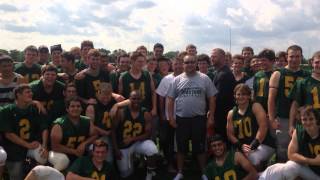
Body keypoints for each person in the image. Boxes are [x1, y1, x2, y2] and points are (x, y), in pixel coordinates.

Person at [167, 55, 217, 180]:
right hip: (181, 119)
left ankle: (204, 172)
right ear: (183, 64)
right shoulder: (177, 80)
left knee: (200, 148)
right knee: (181, 147)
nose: (189, 64)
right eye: (187, 62)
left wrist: (211, 116)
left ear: (196, 63)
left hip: (199, 119)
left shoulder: (204, 78)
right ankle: (180, 172)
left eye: (192, 62)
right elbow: (170, 99)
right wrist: (171, 118)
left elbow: (212, 98)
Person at [268, 45, 309, 162]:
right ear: (287, 57)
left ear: (301, 57)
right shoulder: (278, 74)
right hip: (283, 117)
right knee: (283, 150)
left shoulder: (306, 75)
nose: (294, 59)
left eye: (297, 56)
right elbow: (271, 98)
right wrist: (272, 118)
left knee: (302, 148)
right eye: (291, 56)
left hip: (303, 119)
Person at [0, 84, 49, 179]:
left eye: (31, 92)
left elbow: (44, 128)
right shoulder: (7, 110)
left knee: (43, 157)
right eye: (27, 92)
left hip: (31, 143)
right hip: (13, 147)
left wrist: (44, 145)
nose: (31, 94)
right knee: (16, 175)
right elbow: (9, 134)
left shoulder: (35, 108)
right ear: (18, 95)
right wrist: (27, 145)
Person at [259, 106, 320, 179]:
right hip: (312, 171)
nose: (308, 122)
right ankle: (262, 177)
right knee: (290, 166)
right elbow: (291, 154)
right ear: (301, 120)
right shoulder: (299, 132)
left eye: (311, 119)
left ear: (317, 120)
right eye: (304, 119)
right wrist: (312, 161)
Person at [111, 91, 158, 179]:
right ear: (129, 99)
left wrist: (132, 139)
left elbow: (148, 134)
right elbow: (113, 131)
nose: (136, 101)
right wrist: (116, 149)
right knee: (125, 172)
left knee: (152, 149)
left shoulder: (145, 113)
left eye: (138, 99)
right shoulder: (121, 112)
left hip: (138, 142)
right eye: (133, 99)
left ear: (142, 100)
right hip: (123, 145)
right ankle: (131, 162)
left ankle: (149, 173)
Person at [227, 84, 274, 170]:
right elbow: (230, 134)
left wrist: (253, 146)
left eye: (244, 94)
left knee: (253, 158)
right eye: (238, 94)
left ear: (249, 96)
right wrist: (240, 145)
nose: (241, 97)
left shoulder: (255, 106)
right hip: (244, 146)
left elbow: (263, 127)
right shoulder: (231, 113)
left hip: (263, 143)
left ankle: (261, 173)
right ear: (235, 96)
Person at [50, 97, 97, 167]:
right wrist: (74, 151)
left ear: (81, 108)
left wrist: (84, 144)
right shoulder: (59, 124)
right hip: (61, 153)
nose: (76, 108)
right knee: (63, 160)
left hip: (79, 153)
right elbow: (55, 147)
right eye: (72, 106)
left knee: (96, 146)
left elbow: (95, 135)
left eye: (78, 106)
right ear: (67, 109)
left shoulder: (87, 121)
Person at [156, 57, 183, 173]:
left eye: (180, 64)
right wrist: (162, 114)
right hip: (169, 116)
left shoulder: (187, 78)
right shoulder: (166, 79)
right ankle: (170, 164)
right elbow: (161, 98)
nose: (177, 66)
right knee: (169, 142)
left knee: (181, 141)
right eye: (175, 64)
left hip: (183, 116)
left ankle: (180, 162)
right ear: (172, 66)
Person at [86, 82, 122, 163]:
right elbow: (90, 126)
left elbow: (129, 100)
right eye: (103, 94)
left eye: (108, 94)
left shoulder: (113, 103)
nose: (106, 97)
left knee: (113, 162)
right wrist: (105, 132)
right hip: (97, 137)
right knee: (105, 159)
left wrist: (117, 106)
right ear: (98, 93)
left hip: (111, 134)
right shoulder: (92, 106)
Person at [289, 51, 320, 135]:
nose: (319, 65)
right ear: (312, 62)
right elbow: (295, 104)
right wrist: (291, 125)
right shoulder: (303, 82)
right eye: (317, 62)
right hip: (308, 124)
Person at [118, 51, 157, 115]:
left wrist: (154, 108)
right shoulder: (123, 77)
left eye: (143, 61)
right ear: (132, 61)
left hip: (146, 109)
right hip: (129, 111)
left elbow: (153, 92)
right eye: (139, 61)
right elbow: (121, 96)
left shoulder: (147, 75)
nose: (141, 64)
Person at [211, 48, 236, 139]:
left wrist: (211, 112)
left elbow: (219, 98)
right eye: (211, 56)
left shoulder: (224, 74)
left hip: (222, 115)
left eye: (214, 56)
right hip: (221, 113)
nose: (212, 58)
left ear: (223, 58)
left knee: (222, 139)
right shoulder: (219, 72)